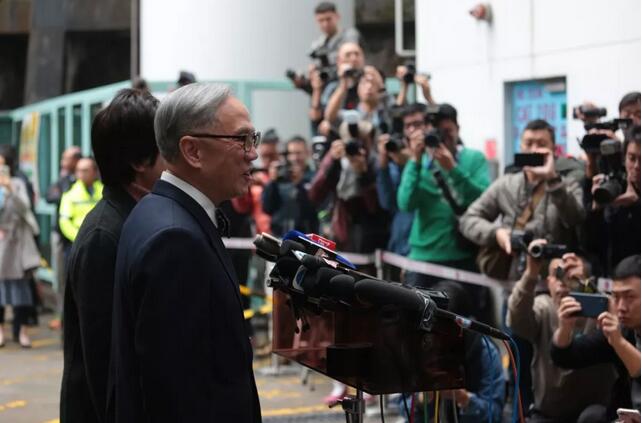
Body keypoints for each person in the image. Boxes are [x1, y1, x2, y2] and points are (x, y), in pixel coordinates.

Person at [110, 83, 262, 422]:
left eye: (253, 139)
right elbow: (177, 392)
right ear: (192, 151)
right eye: (241, 139)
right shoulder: (175, 239)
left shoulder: (158, 211)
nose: (252, 153)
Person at [60, 89, 163, 423]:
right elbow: (104, 358)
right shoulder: (104, 236)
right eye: (165, 146)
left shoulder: (133, 218)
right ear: (139, 161)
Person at [397, 103, 491, 321]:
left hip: (463, 257)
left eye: (447, 132)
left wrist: (452, 169)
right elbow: (405, 203)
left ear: (458, 129)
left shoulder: (473, 159)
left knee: (463, 327)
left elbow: (485, 200)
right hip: (423, 258)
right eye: (436, 133)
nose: (442, 139)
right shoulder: (420, 162)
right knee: (414, 324)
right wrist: (414, 160)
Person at [460, 119, 585, 281]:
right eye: (528, 143)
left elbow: (575, 218)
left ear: (553, 150)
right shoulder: (506, 184)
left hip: (553, 281)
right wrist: (496, 233)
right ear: (520, 147)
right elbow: (468, 220)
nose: (534, 150)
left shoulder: (567, 185)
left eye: (541, 144)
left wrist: (553, 180)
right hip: (512, 279)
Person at [507, 243, 616, 422]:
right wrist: (531, 272)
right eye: (556, 274)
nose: (562, 281)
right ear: (548, 281)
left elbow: (617, 316)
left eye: (568, 275)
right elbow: (517, 320)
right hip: (549, 414)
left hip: (595, 414)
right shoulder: (544, 307)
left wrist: (585, 284)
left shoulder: (599, 306)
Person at [552, 255, 641, 419]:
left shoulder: (619, 337)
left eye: (630, 297)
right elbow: (565, 357)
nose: (621, 307)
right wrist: (565, 328)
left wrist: (619, 343)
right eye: (616, 297)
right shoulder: (623, 331)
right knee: (592, 416)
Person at [584, 125, 640, 276]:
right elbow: (590, 246)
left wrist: (636, 206)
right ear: (624, 158)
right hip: (613, 279)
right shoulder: (614, 187)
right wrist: (596, 209)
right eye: (632, 158)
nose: (636, 166)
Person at [0, 149, 40, 348]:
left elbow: (25, 207)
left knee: (22, 289)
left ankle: (22, 330)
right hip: (1, 242)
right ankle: (1, 331)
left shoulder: (17, 183)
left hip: (18, 242)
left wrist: (10, 188)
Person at [45, 145, 81, 329]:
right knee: (60, 277)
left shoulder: (87, 180)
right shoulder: (63, 179)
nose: (62, 162)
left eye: (66, 158)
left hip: (80, 235)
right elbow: (50, 196)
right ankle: (62, 315)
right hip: (62, 236)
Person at [262, 136, 318, 237]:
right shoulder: (280, 178)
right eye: (291, 153)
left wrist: (299, 184)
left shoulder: (314, 178)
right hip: (279, 235)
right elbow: (267, 208)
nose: (294, 158)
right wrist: (272, 182)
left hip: (306, 237)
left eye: (298, 153)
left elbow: (314, 209)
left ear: (307, 153)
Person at [58, 157, 103, 244]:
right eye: (78, 170)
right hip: (78, 239)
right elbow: (64, 221)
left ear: (95, 172)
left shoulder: (103, 191)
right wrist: (79, 238)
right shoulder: (70, 193)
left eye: (85, 170)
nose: (81, 174)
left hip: (101, 238)